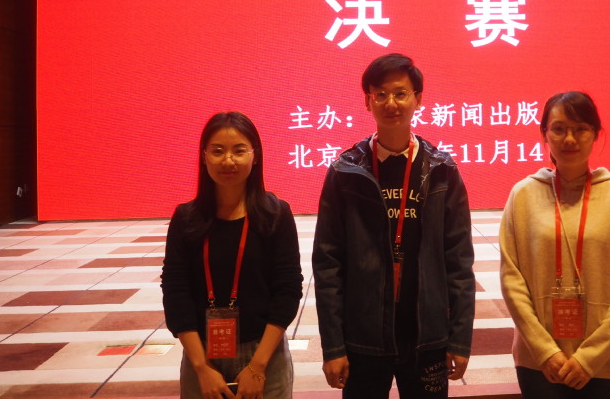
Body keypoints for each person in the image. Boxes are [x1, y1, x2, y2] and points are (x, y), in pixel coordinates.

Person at [312, 53, 475, 399]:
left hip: (427, 335)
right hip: (363, 337)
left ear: (418, 98)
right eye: (381, 94)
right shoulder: (345, 171)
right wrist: (333, 347)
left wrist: (459, 339)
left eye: (401, 93)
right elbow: (328, 264)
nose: (391, 103)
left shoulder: (442, 170)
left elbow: (459, 262)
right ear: (367, 101)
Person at [499, 91, 610, 399]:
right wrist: (545, 351)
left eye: (580, 129)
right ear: (545, 134)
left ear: (595, 134)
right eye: (559, 129)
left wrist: (589, 358)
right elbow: (511, 279)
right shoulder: (523, 195)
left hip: (609, 361)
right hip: (541, 363)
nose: (569, 138)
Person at [161, 111, 303, 399]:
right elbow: (176, 293)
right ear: (204, 157)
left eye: (239, 151)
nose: (228, 161)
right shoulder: (186, 219)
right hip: (202, 355)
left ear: (255, 155)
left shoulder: (276, 215)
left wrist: (257, 367)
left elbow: (288, 290)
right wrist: (202, 368)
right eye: (217, 151)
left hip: (264, 354)